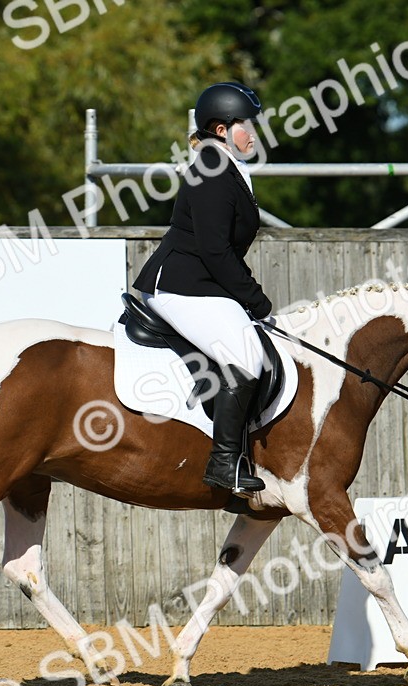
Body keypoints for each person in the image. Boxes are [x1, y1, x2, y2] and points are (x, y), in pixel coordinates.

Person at [132, 81, 274, 495]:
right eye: (246, 125)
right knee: (246, 356)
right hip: (182, 285)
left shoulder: (227, 167)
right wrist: (255, 299)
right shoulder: (212, 170)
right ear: (220, 129)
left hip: (201, 285)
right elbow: (214, 250)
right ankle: (224, 462)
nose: (253, 134)